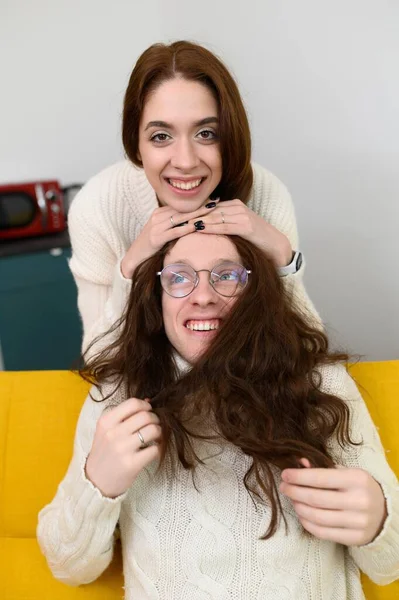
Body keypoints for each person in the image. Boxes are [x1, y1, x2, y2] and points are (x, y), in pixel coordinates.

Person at [37, 231, 398, 597]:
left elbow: (391, 566)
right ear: (156, 299)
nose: (204, 296)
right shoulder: (115, 396)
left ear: (256, 295)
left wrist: (379, 522)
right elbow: (69, 568)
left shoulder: (321, 383)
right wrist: (96, 484)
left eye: (227, 276)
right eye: (179, 277)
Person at [67, 39, 318, 358]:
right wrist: (131, 265)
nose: (185, 161)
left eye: (206, 134)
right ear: (136, 145)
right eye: (161, 136)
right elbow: (100, 357)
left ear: (231, 137)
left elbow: (305, 352)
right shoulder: (97, 207)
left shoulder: (267, 194)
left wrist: (283, 258)